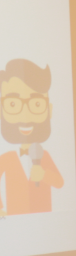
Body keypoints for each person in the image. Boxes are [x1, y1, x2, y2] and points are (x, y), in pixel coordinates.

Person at [0, 59, 63, 216]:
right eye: (13, 104)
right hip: (16, 220)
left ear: (49, 110)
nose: (25, 116)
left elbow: (59, 182)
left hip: (45, 218)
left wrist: (43, 175)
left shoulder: (44, 156)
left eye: (36, 104)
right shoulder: (6, 158)